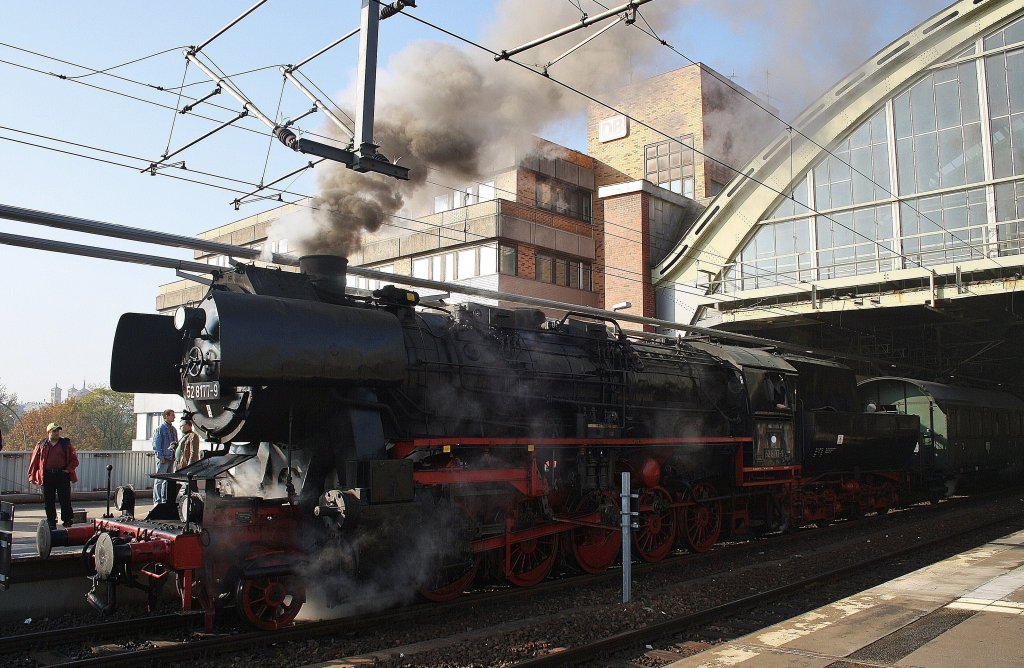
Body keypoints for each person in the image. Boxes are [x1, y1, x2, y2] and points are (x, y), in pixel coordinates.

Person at [27, 423, 80, 528]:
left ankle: (67, 520)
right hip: (47, 475)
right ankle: (51, 521)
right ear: (48, 432)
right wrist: (31, 476)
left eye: (57, 431)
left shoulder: (65, 443)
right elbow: (34, 461)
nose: (56, 433)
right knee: (48, 500)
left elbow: (75, 460)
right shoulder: (41, 444)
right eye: (54, 431)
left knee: (65, 499)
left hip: (62, 475)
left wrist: (67, 470)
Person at [152, 409, 178, 504]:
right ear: (166, 416)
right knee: (159, 480)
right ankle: (157, 501)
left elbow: (176, 444)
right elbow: (156, 444)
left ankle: (164, 500)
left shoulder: (174, 429)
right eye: (172, 415)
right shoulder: (160, 429)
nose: (174, 417)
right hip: (164, 458)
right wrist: (160, 456)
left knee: (167, 481)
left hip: (171, 458)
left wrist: (175, 455)